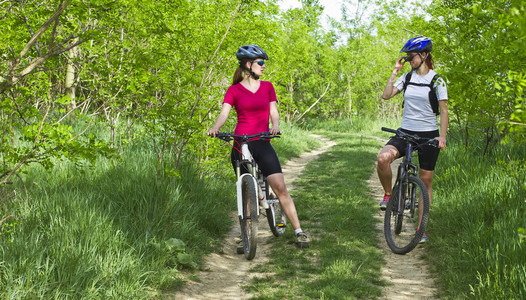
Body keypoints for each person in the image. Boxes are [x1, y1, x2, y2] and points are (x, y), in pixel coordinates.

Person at [208, 45, 309, 248]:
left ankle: (299, 231)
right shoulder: (234, 90)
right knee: (246, 192)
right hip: (240, 143)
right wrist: (215, 128)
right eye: (260, 63)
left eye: (263, 63)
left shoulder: (267, 87)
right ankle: (247, 237)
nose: (264, 66)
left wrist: (276, 126)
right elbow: (224, 113)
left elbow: (274, 111)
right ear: (248, 64)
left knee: (280, 188)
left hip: (261, 141)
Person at [377, 36, 448, 243]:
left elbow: (444, 111)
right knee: (383, 159)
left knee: (425, 181)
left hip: (428, 134)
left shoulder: (437, 80)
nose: (408, 59)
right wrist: (395, 71)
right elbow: (386, 95)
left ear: (424, 55)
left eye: (411, 56)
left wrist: (441, 136)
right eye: (407, 56)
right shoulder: (406, 78)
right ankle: (390, 195)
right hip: (405, 131)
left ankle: (420, 230)